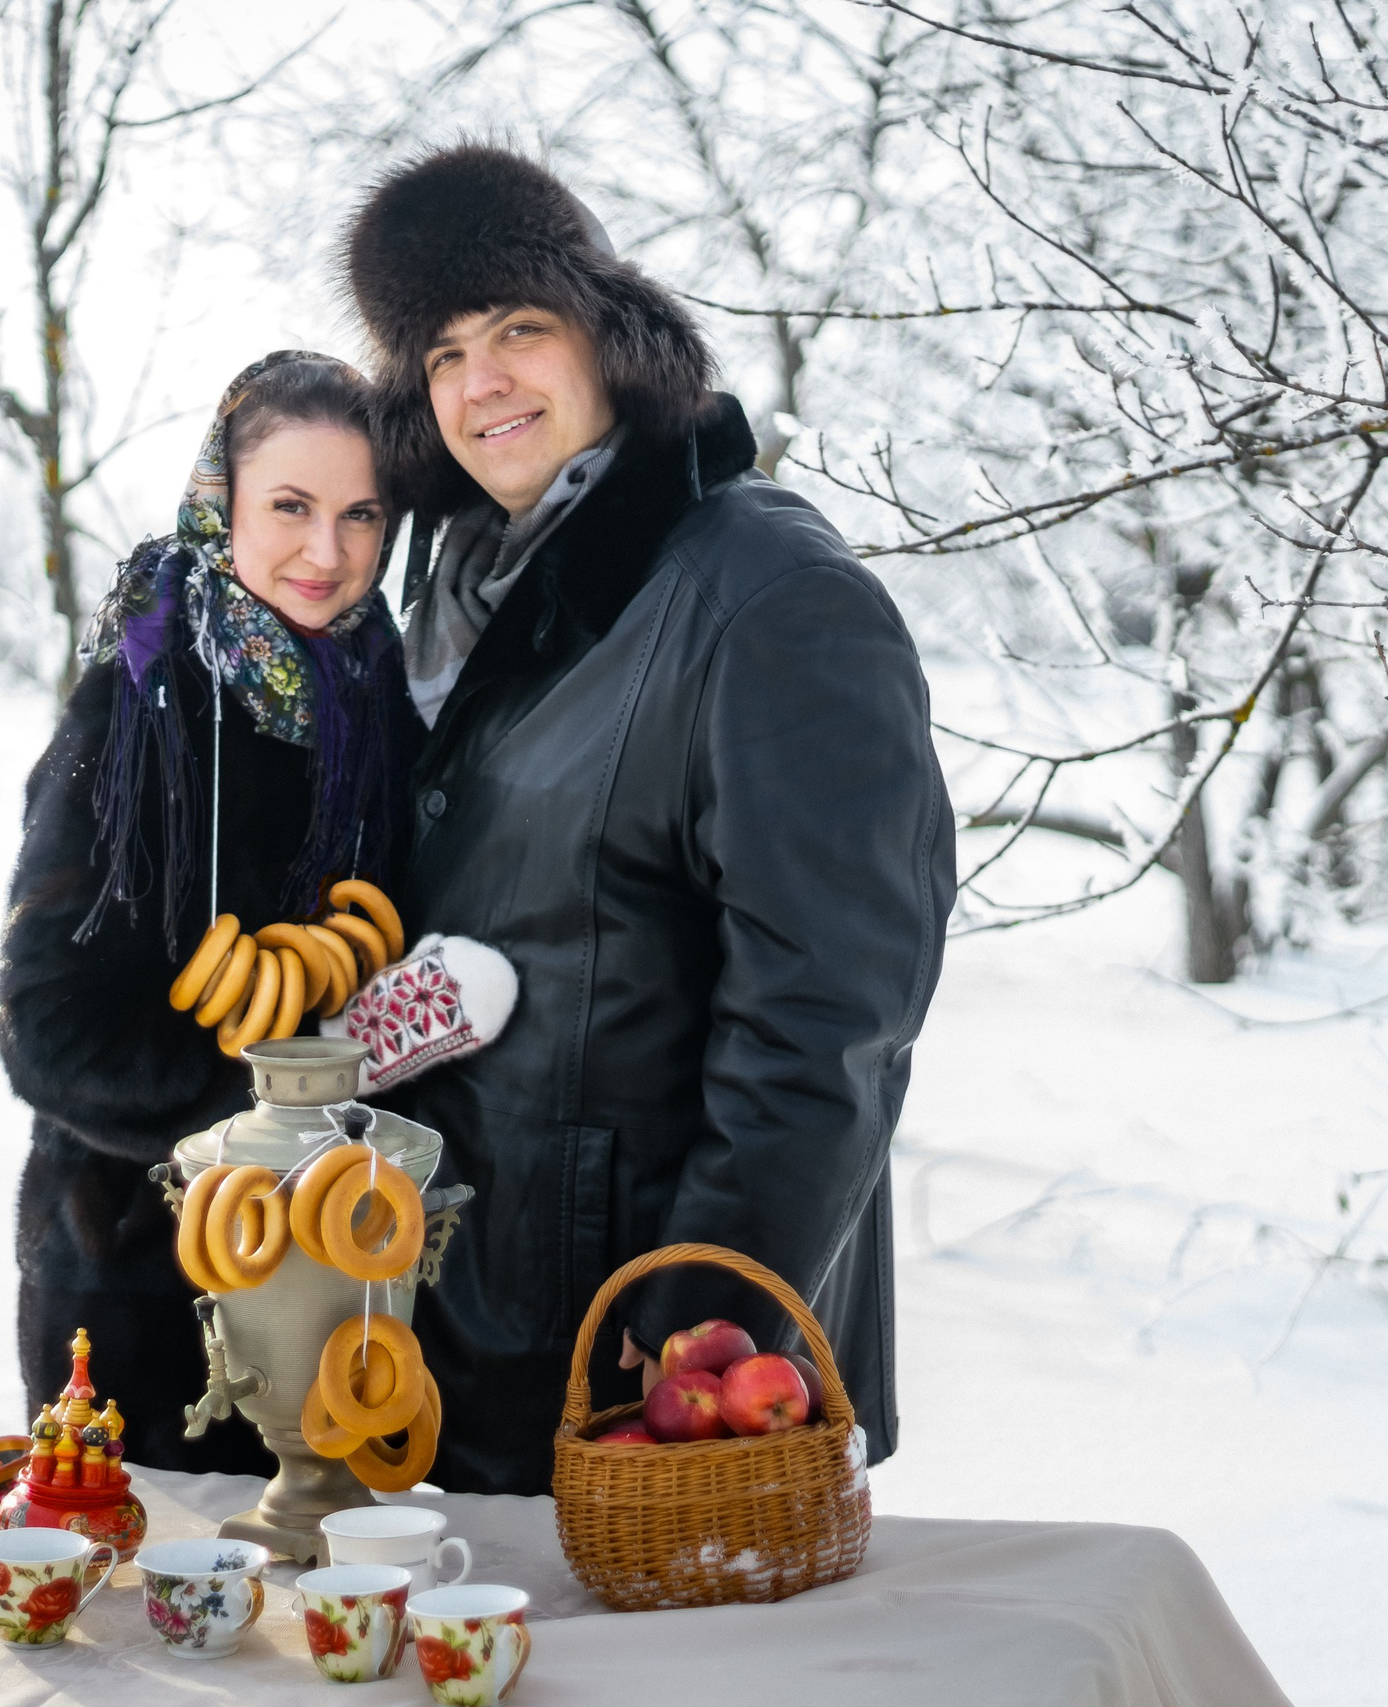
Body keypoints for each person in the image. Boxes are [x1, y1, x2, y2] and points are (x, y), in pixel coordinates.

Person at [338, 143, 957, 1493]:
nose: (481, 379)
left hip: (650, 1372)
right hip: (461, 1338)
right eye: (441, 353)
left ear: (610, 339)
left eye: (518, 328)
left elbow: (828, 1024)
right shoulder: (457, 596)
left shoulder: (763, 594)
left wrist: (692, 1337)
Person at [0, 351, 419, 1473]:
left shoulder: (390, 708)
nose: (325, 554)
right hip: (143, 1299)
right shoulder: (136, 716)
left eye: (360, 514)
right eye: (289, 506)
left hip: (358, 1293)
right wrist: (282, 1094)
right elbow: (50, 1032)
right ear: (218, 502)